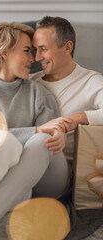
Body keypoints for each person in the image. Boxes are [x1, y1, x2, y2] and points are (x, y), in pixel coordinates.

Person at [0, 22, 69, 238]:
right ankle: (4, 201)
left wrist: (56, 134)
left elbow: (48, 138)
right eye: (27, 51)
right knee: (2, 138)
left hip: (46, 179)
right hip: (5, 178)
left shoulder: (39, 93)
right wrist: (35, 130)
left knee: (39, 141)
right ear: (4, 52)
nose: (34, 59)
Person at [30, 16, 103, 165]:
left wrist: (78, 118)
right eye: (35, 49)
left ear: (67, 48)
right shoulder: (30, 82)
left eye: (43, 49)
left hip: (60, 170)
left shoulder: (90, 80)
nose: (37, 57)